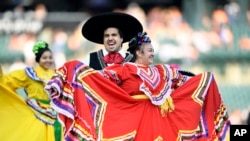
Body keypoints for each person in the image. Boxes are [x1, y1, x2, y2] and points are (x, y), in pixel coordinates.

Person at [45, 32, 230, 141]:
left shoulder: (162, 70)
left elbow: (184, 80)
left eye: (152, 50)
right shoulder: (125, 69)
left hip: (162, 119)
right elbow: (101, 79)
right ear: (139, 53)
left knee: (206, 79)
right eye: (149, 50)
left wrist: (204, 79)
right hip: (133, 118)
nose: (153, 53)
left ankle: (236, 134)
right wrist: (74, 70)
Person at [0, 41, 62, 141]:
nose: (48, 60)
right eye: (44, 58)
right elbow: (8, 81)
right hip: (35, 114)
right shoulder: (30, 73)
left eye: (50, 58)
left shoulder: (57, 74)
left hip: (55, 117)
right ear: (38, 59)